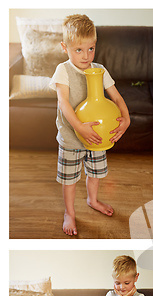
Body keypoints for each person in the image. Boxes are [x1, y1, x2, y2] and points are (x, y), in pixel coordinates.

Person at [50, 14, 130, 236]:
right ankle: (69, 212)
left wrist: (126, 118)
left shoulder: (100, 69)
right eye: (78, 50)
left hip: (97, 138)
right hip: (72, 138)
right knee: (70, 179)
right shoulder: (63, 71)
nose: (86, 56)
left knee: (95, 173)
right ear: (65, 47)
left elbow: (117, 97)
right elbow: (63, 102)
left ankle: (92, 200)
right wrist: (79, 127)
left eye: (91, 48)